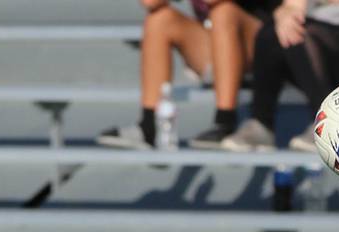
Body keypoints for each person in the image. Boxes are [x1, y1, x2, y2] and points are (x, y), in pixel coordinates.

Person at [222, 0, 339, 152]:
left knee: (299, 33)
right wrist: (283, 11)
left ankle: (330, 127)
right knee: (270, 33)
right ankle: (261, 124)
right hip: (319, 47)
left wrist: (292, 6)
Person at [98, 1, 273, 150]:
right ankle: (149, 125)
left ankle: (225, 121)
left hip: (261, 40)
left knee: (223, 12)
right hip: (215, 42)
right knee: (159, 19)